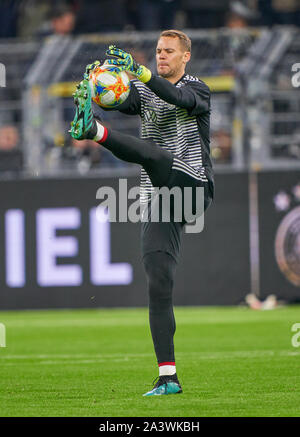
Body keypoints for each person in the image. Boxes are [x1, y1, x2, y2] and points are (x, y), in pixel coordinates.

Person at [70, 29, 214, 396]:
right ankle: (168, 378)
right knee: (158, 282)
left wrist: (142, 71)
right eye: (158, 51)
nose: (162, 55)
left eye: (169, 51)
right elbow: (121, 97)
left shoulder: (198, 88)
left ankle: (95, 132)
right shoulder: (145, 90)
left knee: (156, 156)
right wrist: (98, 83)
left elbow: (177, 97)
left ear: (185, 57)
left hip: (192, 186)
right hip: (159, 199)